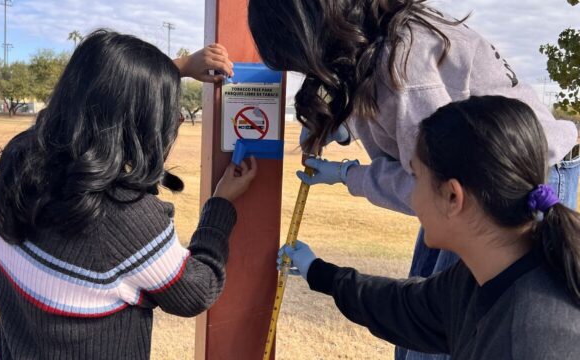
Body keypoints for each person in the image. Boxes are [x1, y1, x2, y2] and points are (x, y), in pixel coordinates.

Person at [248, 2, 580, 358]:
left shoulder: (532, 338)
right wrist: (321, 274)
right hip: (478, 186)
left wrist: (350, 175)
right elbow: (410, 309)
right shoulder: (376, 44)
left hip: (516, 173)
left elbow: (421, 176)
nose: (414, 205)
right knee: (425, 327)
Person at [0, 30, 254, 359]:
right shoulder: (125, 215)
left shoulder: (23, 157)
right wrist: (220, 205)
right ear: (143, 123)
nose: (176, 119)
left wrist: (179, 66)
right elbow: (196, 291)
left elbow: (99, 86)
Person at [280, 96, 580, 359]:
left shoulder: (532, 342)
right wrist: (319, 272)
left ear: (453, 196)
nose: (411, 195)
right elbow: (404, 307)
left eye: (416, 177)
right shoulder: (485, 276)